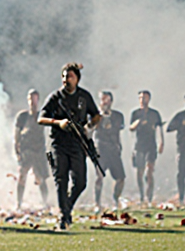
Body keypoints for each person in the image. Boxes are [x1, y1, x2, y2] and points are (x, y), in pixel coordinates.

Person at [39, 63, 101, 229]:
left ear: (77, 79)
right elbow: (41, 118)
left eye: (70, 76)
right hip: (58, 143)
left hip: (77, 143)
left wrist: (89, 126)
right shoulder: (55, 97)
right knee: (61, 179)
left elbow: (96, 115)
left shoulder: (84, 97)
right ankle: (64, 216)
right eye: (64, 76)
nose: (67, 80)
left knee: (80, 182)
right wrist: (58, 122)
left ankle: (67, 207)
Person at [13, 89, 50, 209]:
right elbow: (17, 133)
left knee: (40, 177)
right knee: (22, 175)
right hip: (26, 150)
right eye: (30, 99)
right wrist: (17, 149)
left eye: (35, 99)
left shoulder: (42, 115)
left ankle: (45, 203)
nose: (33, 102)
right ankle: (19, 203)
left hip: (39, 150)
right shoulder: (22, 116)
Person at [129, 90, 164, 204]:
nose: (143, 100)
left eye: (145, 98)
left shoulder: (154, 113)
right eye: (141, 98)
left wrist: (161, 142)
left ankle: (149, 197)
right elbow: (131, 128)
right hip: (139, 145)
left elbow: (159, 128)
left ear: (149, 99)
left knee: (149, 171)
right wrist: (138, 122)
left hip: (151, 145)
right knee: (139, 172)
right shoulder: (135, 113)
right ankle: (141, 195)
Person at [92, 90, 126, 208]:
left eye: (107, 100)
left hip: (113, 149)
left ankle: (115, 199)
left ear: (111, 101)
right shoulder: (95, 115)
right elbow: (89, 129)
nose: (105, 102)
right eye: (103, 99)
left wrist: (119, 145)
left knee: (121, 178)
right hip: (100, 149)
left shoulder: (118, 116)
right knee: (99, 176)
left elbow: (118, 129)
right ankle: (97, 203)